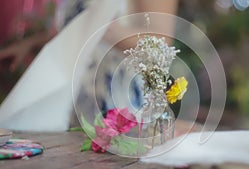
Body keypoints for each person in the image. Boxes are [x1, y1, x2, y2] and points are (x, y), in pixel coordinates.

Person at [0, 0, 179, 131]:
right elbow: (78, 30)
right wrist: (35, 43)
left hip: (124, 114)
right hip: (77, 110)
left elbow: (162, 41)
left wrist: (103, 27)